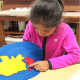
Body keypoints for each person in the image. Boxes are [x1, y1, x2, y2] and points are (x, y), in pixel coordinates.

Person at [23, 0, 80, 72]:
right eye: (36, 28)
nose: (40, 34)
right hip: (34, 68)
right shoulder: (31, 25)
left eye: (46, 30)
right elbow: (25, 44)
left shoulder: (65, 31)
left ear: (59, 23)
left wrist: (49, 63)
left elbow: (75, 55)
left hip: (55, 70)